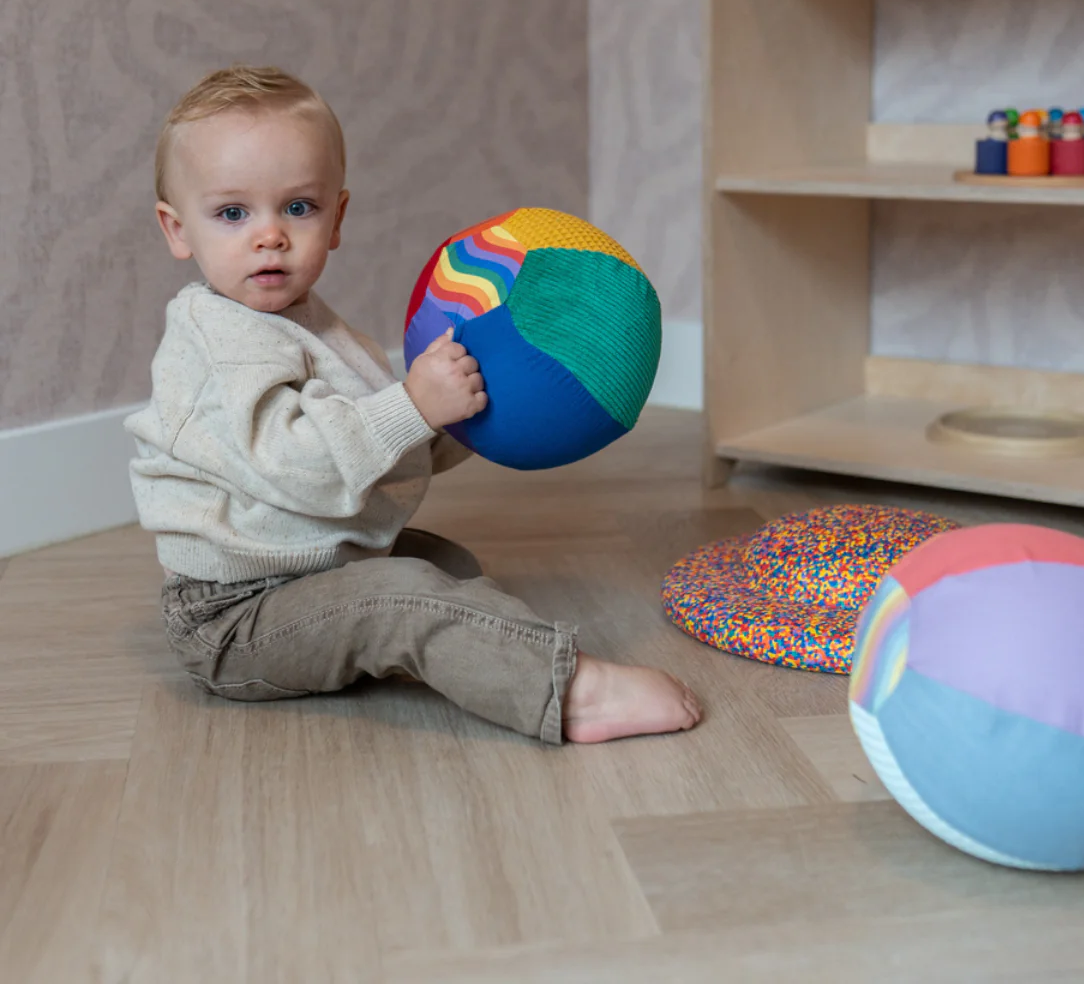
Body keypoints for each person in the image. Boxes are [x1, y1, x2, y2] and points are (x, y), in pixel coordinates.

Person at [124, 65, 702, 745]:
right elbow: (296, 465)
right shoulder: (217, 342)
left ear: (337, 218)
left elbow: (375, 447)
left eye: (298, 208)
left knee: (444, 568)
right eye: (232, 214)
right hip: (234, 618)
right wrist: (414, 406)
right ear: (177, 229)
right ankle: (568, 690)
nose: (270, 234)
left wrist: (465, 410)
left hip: (302, 564)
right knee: (410, 600)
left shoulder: (308, 321)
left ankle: (437, 640)